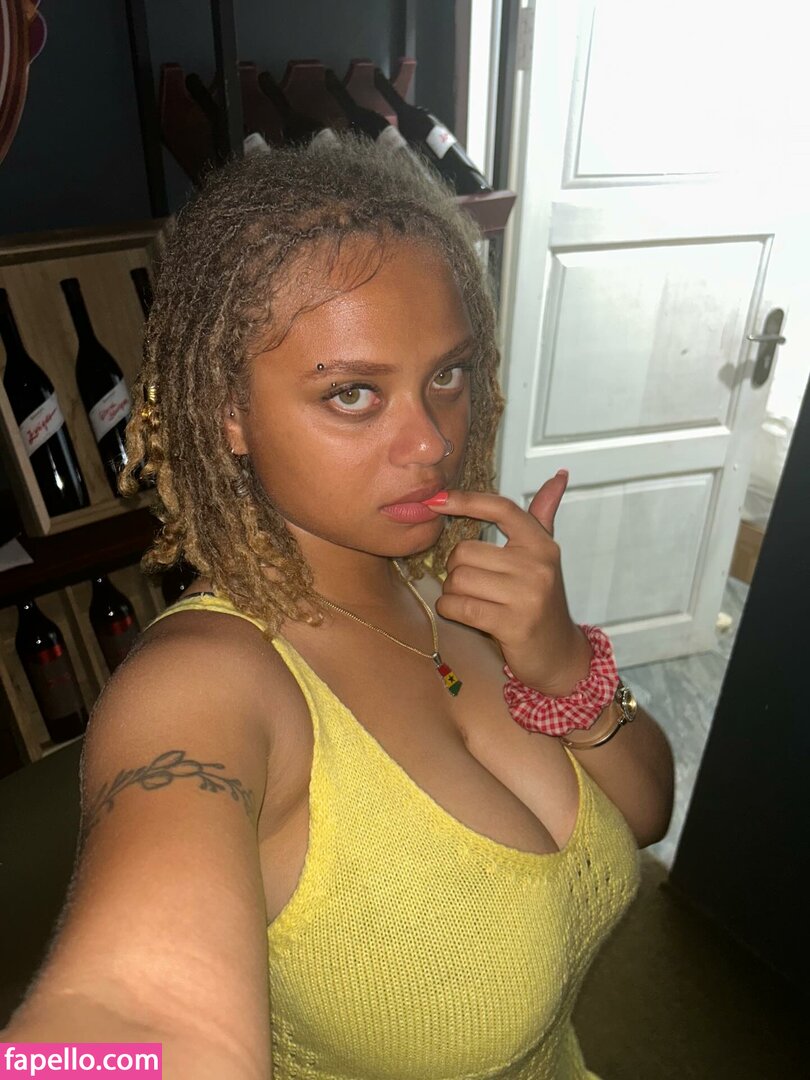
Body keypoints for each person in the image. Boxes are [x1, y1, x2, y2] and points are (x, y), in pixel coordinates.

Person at [3, 136, 674, 1078]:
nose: (431, 441)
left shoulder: (452, 584)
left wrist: (566, 669)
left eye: (447, 374)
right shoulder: (202, 685)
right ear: (228, 411)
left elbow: (646, 814)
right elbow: (128, 1011)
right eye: (353, 393)